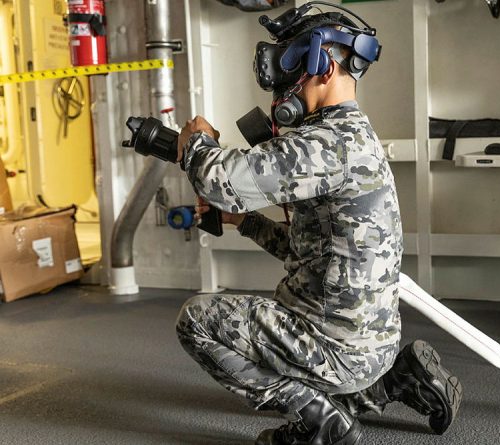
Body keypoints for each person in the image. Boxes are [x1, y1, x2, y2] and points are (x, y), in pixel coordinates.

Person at [172, 10, 462, 445]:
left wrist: (197, 141)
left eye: (290, 68)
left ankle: (318, 422)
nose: (283, 87)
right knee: (323, 368)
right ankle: (397, 380)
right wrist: (245, 222)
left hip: (337, 347)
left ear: (320, 65)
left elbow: (221, 182)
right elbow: (311, 254)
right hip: (368, 343)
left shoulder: (325, 144)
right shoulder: (350, 135)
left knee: (196, 320)